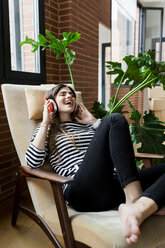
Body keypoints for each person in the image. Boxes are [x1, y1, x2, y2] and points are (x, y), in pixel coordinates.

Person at [25, 83, 165, 245]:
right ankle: (133, 199)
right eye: (62, 94)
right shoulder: (47, 130)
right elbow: (33, 162)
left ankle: (141, 207)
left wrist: (92, 121)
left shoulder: (88, 126)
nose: (69, 96)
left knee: (113, 122)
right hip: (81, 189)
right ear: (51, 102)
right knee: (115, 118)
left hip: (111, 188)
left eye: (71, 94)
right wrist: (45, 122)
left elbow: (114, 143)